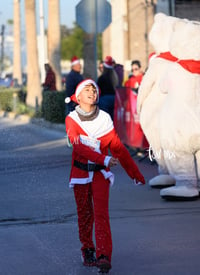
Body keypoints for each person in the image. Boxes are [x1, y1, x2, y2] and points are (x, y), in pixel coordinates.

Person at [65, 79, 145, 273]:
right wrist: (104, 159)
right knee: (85, 214)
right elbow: (78, 146)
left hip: (100, 174)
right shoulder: (71, 119)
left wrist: (134, 173)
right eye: (87, 90)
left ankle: (103, 255)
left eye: (94, 90)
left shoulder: (105, 119)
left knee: (101, 214)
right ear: (78, 96)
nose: (92, 93)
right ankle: (88, 249)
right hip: (81, 173)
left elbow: (118, 148)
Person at [97, 56, 118, 120]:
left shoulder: (102, 78)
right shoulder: (115, 77)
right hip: (114, 98)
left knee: (105, 119)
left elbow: (98, 89)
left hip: (104, 99)